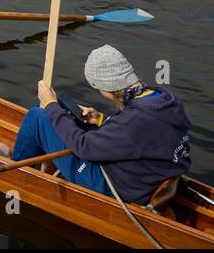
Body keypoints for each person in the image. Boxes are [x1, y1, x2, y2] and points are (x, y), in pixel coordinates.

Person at [12, 46, 191, 203]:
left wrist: (50, 105)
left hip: (118, 184)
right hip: (145, 174)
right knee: (57, 110)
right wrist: (101, 120)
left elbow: (84, 146)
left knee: (38, 115)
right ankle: (41, 161)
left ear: (106, 87)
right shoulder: (163, 98)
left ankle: (16, 174)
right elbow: (140, 134)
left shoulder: (133, 121)